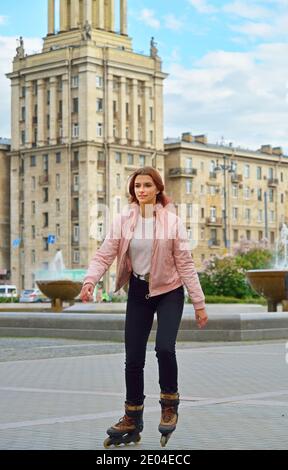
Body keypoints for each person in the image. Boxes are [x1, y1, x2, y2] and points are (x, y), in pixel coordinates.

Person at [80, 167, 208, 448]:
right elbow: (105, 253)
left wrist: (198, 303)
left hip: (169, 291)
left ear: (157, 189)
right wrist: (90, 281)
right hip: (138, 291)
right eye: (137, 185)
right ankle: (132, 417)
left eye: (147, 185)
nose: (141, 190)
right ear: (132, 190)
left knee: (164, 347)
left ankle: (169, 405)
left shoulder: (172, 222)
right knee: (133, 358)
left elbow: (185, 263)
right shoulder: (123, 220)